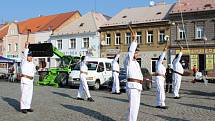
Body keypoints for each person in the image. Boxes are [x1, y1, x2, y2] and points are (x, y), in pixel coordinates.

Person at [124, 30, 143, 121]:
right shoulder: (128, 60)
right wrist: (134, 40)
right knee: (133, 108)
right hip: (132, 86)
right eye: (137, 52)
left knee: (135, 108)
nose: (138, 54)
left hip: (137, 86)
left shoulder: (136, 63)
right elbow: (130, 52)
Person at [20, 42, 36, 114]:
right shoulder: (24, 62)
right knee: (24, 94)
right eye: (29, 56)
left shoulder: (32, 64)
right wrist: (26, 46)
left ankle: (28, 106)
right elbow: (25, 54)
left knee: (30, 94)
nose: (30, 57)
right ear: (27, 57)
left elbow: (34, 71)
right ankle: (23, 107)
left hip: (31, 81)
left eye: (31, 56)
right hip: (25, 80)